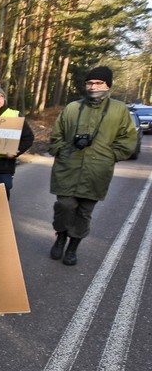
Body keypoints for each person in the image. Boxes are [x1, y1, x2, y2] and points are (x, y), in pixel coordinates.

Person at [49, 66, 138, 266]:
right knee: (65, 205)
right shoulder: (72, 108)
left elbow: (128, 139)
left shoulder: (119, 110)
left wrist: (110, 155)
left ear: (108, 85)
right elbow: (56, 135)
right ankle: (61, 235)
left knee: (84, 212)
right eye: (90, 83)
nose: (93, 86)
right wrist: (62, 151)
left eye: (99, 83)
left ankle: (73, 246)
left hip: (97, 171)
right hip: (67, 168)